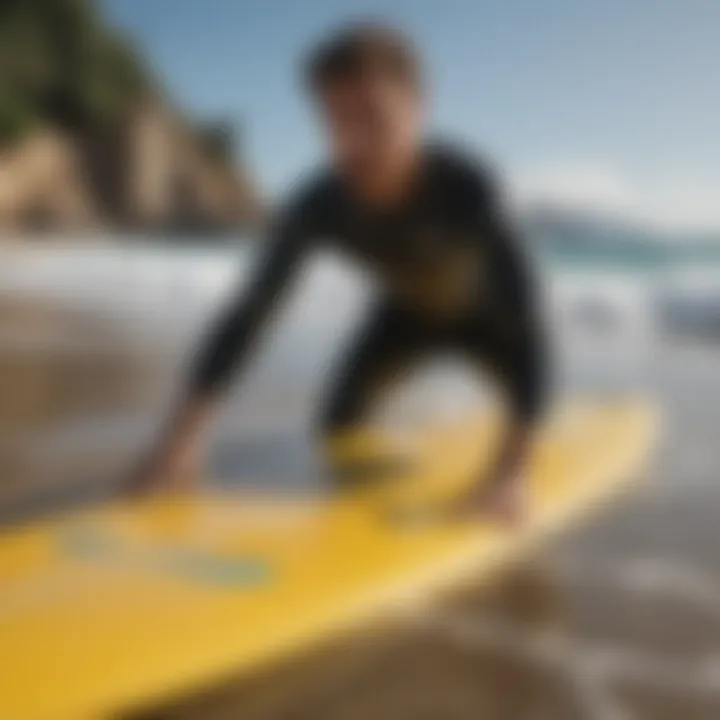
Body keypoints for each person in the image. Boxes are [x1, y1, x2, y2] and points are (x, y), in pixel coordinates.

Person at [129, 23, 548, 522]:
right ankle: (356, 517)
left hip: (489, 325)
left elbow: (527, 321)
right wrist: (180, 439)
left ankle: (517, 449)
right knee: (337, 427)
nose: (356, 140)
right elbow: (251, 313)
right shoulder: (321, 203)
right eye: (337, 119)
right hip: (405, 319)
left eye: (374, 116)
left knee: (516, 404)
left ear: (418, 106)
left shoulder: (471, 190)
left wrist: (511, 474)